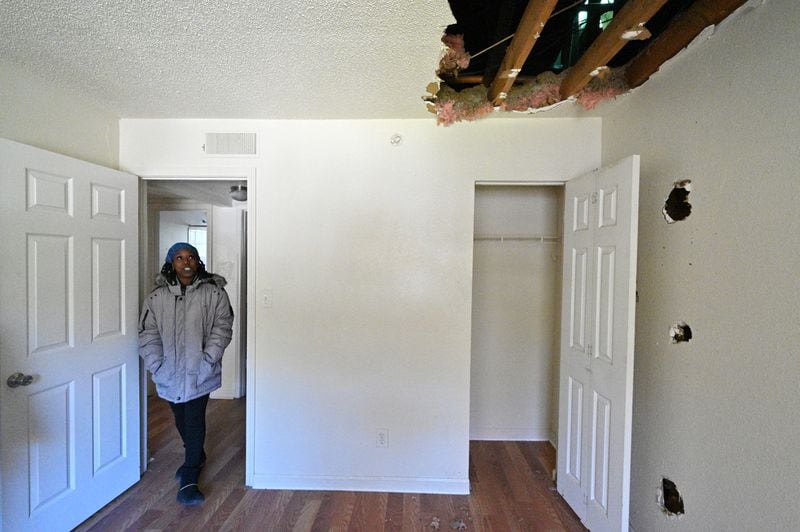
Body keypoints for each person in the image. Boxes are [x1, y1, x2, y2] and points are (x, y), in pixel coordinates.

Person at [138, 242, 234, 505]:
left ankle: (190, 477)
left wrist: (208, 359)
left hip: (200, 371)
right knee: (180, 418)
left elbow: (223, 327)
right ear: (171, 263)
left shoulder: (214, 294)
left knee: (194, 420)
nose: (186, 262)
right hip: (168, 372)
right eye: (179, 258)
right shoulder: (156, 298)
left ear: (198, 261)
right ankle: (197, 455)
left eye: (191, 256)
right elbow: (147, 333)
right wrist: (156, 364)